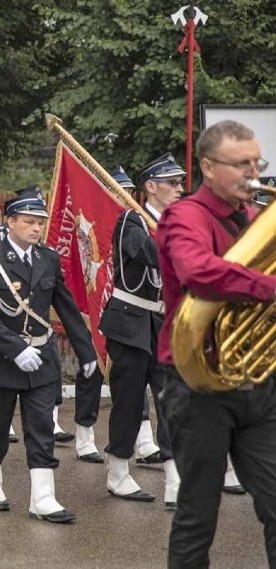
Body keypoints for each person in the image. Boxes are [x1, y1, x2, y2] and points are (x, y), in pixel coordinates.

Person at [156, 120, 276, 567]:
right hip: (198, 388)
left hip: (257, 385)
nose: (254, 174)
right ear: (208, 166)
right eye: (242, 164)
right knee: (198, 513)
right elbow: (196, 271)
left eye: (257, 162)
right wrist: (267, 287)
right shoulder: (185, 215)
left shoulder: (253, 216)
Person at [0, 186, 97, 523]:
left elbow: (66, 308)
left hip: (41, 358)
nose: (37, 228)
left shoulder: (47, 259)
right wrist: (14, 348)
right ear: (10, 222)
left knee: (41, 426)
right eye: (29, 222)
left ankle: (43, 497)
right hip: (1, 358)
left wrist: (87, 351)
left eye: (40, 222)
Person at [98, 159, 182, 503]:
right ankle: (118, 471)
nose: (179, 189)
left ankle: (175, 481)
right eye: (172, 183)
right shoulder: (131, 221)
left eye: (180, 183)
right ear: (150, 186)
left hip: (164, 325)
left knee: (172, 403)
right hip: (130, 322)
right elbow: (149, 254)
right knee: (130, 403)